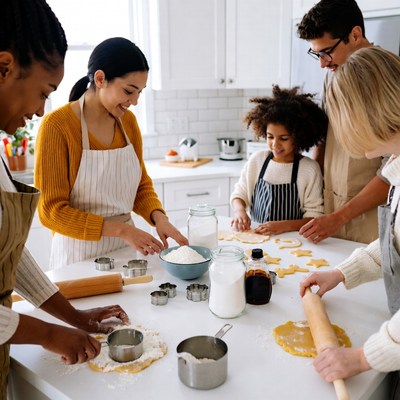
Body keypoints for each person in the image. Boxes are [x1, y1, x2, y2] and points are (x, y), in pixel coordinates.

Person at [0, 0, 129, 397]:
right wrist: (48, 335)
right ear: (4, 67)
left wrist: (73, 317)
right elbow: (53, 212)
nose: (40, 111)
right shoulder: (59, 126)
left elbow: (10, 254)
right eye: (43, 92)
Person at [34, 37, 188, 270]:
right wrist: (122, 230)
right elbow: (51, 212)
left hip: (127, 250)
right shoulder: (57, 126)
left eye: (139, 93)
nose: (134, 102)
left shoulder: (128, 123)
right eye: (129, 91)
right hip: (77, 257)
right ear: (100, 78)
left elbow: (140, 185)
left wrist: (159, 218)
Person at [300, 47, 400, 399]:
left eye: (344, 116)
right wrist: (341, 273)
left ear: (369, 112)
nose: (341, 130)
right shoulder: (396, 169)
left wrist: (361, 357)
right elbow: (393, 246)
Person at [296, 0, 390, 244]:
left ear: (355, 34)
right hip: (330, 210)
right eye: (317, 54)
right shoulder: (333, 75)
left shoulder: (387, 77)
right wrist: (310, 186)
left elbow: (392, 170)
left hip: (368, 219)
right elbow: (325, 137)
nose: (322, 63)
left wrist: (340, 217)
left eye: (327, 51)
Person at [230, 85, 327, 235]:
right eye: (270, 137)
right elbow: (240, 194)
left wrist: (283, 226)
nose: (275, 144)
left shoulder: (308, 169)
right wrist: (240, 211)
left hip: (295, 243)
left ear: (299, 136)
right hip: (257, 239)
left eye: (283, 138)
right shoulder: (258, 160)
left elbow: (315, 217)